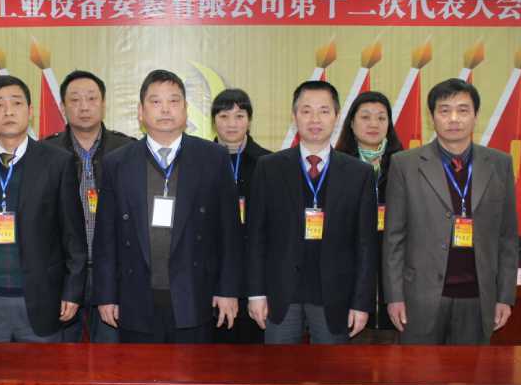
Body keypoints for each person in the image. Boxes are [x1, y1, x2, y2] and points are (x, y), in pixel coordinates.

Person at [93, 69, 242, 343]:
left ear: (186, 110)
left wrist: (227, 290)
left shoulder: (213, 158)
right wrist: (106, 295)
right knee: (139, 371)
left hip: (196, 295)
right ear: (141, 112)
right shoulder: (118, 162)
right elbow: (106, 237)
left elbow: (229, 232)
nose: (165, 109)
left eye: (174, 101)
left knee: (193, 372)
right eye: (155, 101)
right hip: (135, 298)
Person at [0, 75, 87, 342]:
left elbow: (73, 236)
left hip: (42, 298)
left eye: (16, 103)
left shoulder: (58, 163)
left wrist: (72, 291)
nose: (8, 111)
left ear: (30, 111)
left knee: (43, 371)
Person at [383, 78, 518, 345]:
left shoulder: (499, 164)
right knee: (419, 371)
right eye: (444, 110)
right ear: (432, 117)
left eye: (463, 110)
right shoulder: (405, 164)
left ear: (476, 116)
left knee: (471, 371)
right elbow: (394, 238)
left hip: (478, 298)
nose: (454, 118)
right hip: (420, 297)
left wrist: (505, 296)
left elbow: (507, 237)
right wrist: (394, 297)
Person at [247, 80, 377, 344]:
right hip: (280, 295)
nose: (315, 119)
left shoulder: (359, 173)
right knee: (280, 369)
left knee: (331, 370)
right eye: (306, 111)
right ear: (294, 116)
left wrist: (361, 303)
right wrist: (256, 293)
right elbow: (256, 236)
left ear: (336, 117)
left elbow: (366, 244)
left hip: (335, 296)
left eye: (324, 111)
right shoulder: (269, 167)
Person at [43, 70, 134, 343]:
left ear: (103, 104)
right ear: (62, 107)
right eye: (75, 100)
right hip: (62, 274)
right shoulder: (45, 153)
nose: (84, 107)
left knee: (112, 357)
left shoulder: (127, 150)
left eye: (92, 98)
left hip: (114, 274)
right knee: (61, 357)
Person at [334, 90, 404, 344]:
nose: (374, 124)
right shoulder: (337, 165)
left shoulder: (404, 164)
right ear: (351, 123)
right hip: (349, 269)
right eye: (365, 117)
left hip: (394, 266)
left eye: (381, 118)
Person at [210, 88, 270, 344]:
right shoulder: (199, 161)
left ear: (249, 120)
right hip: (211, 274)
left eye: (239, 116)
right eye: (224, 116)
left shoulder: (268, 162)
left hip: (254, 275)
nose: (232, 124)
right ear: (214, 121)